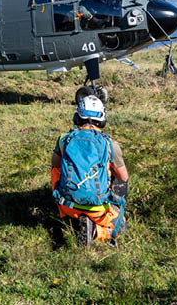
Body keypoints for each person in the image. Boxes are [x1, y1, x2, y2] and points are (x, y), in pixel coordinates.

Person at [50, 95, 128, 245]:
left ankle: (69, 217)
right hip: (97, 208)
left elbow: (55, 166)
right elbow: (123, 177)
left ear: (77, 115)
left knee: (55, 169)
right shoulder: (110, 144)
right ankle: (96, 231)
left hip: (67, 205)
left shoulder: (63, 139)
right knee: (122, 227)